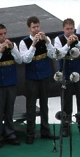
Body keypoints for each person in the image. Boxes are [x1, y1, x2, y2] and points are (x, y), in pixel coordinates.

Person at [53, 18, 80, 131]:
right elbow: (59, 54)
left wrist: (77, 43)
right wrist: (68, 44)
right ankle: (66, 126)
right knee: (66, 101)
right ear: (63, 29)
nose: (69, 31)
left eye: (71, 29)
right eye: (67, 29)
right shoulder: (58, 39)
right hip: (66, 74)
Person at [19, 15, 56, 143]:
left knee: (44, 104)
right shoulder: (24, 42)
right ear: (29, 28)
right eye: (33, 27)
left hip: (45, 76)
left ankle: (45, 130)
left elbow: (52, 55)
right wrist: (34, 44)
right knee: (31, 106)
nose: (36, 29)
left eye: (37, 26)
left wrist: (47, 41)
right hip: (32, 79)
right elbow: (26, 59)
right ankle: (30, 133)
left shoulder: (46, 40)